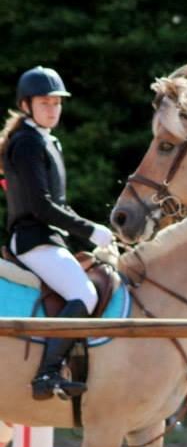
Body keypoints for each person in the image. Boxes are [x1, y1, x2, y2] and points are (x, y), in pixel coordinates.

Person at [0, 66, 115, 400]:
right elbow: (41, 207)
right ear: (27, 105)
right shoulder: (26, 143)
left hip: (48, 239)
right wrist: (91, 231)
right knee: (85, 294)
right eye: (45, 103)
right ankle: (46, 375)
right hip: (33, 240)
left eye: (57, 103)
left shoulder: (47, 141)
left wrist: (86, 232)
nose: (52, 109)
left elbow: (56, 205)